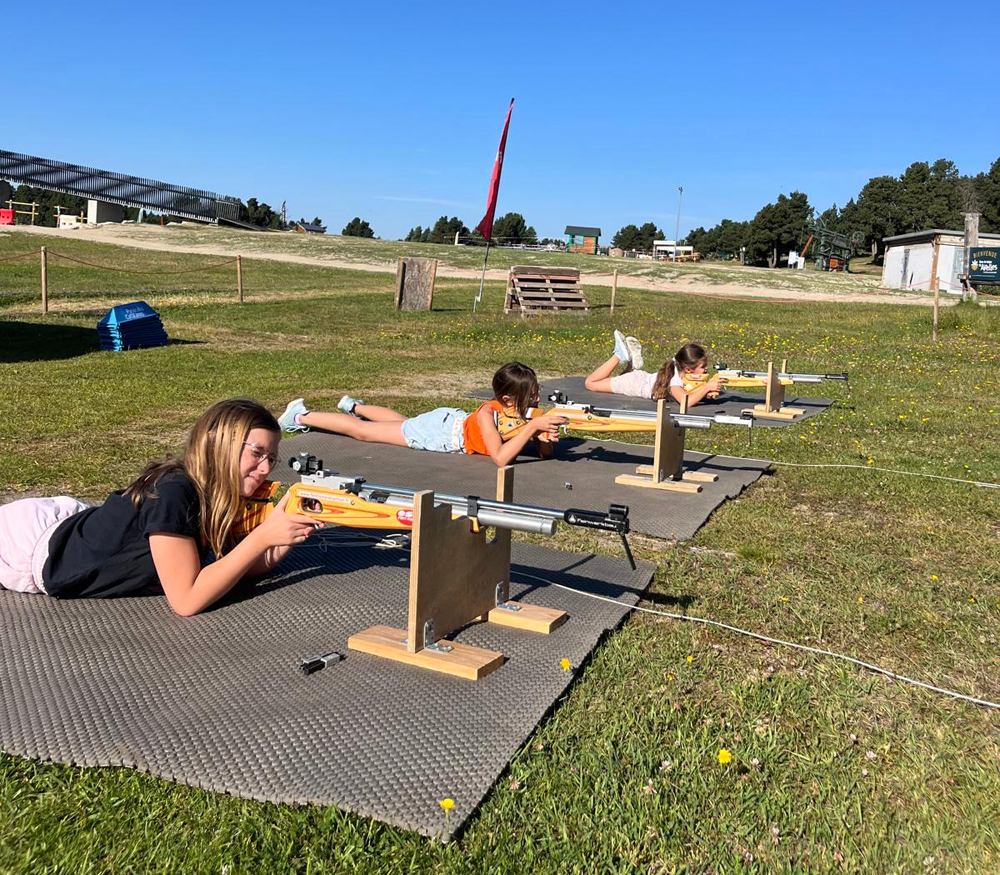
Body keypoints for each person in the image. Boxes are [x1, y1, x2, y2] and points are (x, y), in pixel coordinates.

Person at [0, 399, 322, 616]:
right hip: (27, 547)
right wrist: (263, 536)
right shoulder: (175, 493)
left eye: (271, 458)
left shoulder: (210, 492)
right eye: (256, 453)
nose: (266, 469)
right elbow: (186, 599)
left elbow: (238, 567)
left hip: (69, 525)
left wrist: (281, 538)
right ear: (217, 443)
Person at [277, 362, 567, 468]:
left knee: (401, 423)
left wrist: (543, 435)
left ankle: (353, 405)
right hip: (440, 433)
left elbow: (545, 456)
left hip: (442, 423)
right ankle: (301, 416)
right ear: (506, 399)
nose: (537, 399)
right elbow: (500, 458)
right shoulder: (487, 414)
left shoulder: (523, 414)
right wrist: (533, 428)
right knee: (363, 432)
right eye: (531, 394)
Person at [584, 331, 722, 407]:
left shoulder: (678, 371)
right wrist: (706, 388)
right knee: (591, 383)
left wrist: (704, 393)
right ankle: (619, 355)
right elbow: (686, 402)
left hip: (639, 379)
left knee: (609, 381)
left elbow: (689, 390)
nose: (705, 370)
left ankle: (630, 365)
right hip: (634, 384)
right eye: (702, 367)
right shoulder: (674, 381)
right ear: (688, 369)